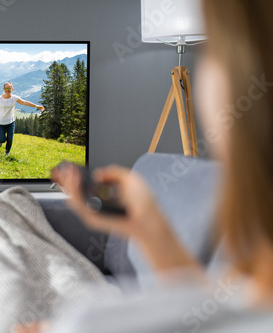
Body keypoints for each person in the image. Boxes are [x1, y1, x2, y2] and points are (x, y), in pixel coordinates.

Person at [20, 0, 273, 332]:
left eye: (213, 51)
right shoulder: (257, 274)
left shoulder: (89, 322)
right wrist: (146, 223)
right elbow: (207, 313)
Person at [0, 82, 45, 155]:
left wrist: (36, 106)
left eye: (9, 88)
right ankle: (0, 141)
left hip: (11, 122)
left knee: (10, 139)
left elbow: (25, 102)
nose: (7, 90)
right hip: (1, 123)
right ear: (3, 89)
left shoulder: (14, 98)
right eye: (6, 88)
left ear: (12, 89)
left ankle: (6, 153)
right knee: (2, 139)